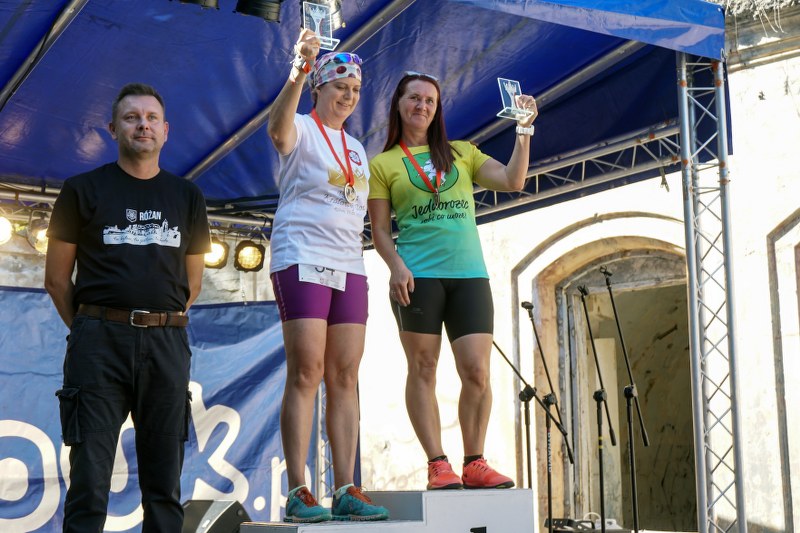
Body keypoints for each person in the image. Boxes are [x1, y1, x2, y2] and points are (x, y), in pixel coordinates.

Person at [44, 82, 211, 532]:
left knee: (164, 487)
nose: (143, 125)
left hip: (167, 343)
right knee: (89, 482)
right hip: (99, 345)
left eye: (152, 118)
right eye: (132, 117)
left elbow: (192, 283)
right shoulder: (81, 189)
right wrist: (91, 327)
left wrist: (155, 321)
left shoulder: (188, 196)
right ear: (113, 128)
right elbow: (56, 279)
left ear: (166, 130)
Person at [368, 72, 538, 491]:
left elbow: (513, 181)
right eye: (414, 98)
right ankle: (437, 463)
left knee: (477, 371)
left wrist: (524, 130)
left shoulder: (463, 152)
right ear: (399, 104)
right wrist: (395, 266)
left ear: (437, 109)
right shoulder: (383, 164)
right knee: (423, 367)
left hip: (469, 275)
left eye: (430, 100)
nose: (422, 106)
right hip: (417, 276)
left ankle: (475, 462)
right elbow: (380, 230)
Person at [266, 28, 388, 523]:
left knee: (345, 375)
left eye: (355, 89)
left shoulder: (357, 147)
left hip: (349, 263)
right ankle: (299, 489)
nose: (349, 96)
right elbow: (277, 132)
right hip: (301, 254)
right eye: (340, 86)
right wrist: (299, 67)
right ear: (319, 87)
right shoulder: (300, 126)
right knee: (307, 370)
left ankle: (345, 487)